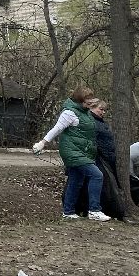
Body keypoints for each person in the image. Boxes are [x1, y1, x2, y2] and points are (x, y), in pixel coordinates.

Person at [31, 85, 110, 222]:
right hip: (72, 152)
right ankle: (94, 210)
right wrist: (42, 143)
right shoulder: (69, 113)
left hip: (82, 151)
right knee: (97, 175)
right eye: (88, 99)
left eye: (91, 98)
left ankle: (68, 211)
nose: (91, 101)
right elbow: (57, 129)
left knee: (75, 180)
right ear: (80, 100)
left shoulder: (85, 112)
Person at [87, 98, 118, 180]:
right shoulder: (93, 123)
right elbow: (103, 144)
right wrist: (111, 158)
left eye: (104, 110)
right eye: (101, 109)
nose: (103, 112)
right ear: (92, 107)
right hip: (99, 160)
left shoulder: (99, 122)